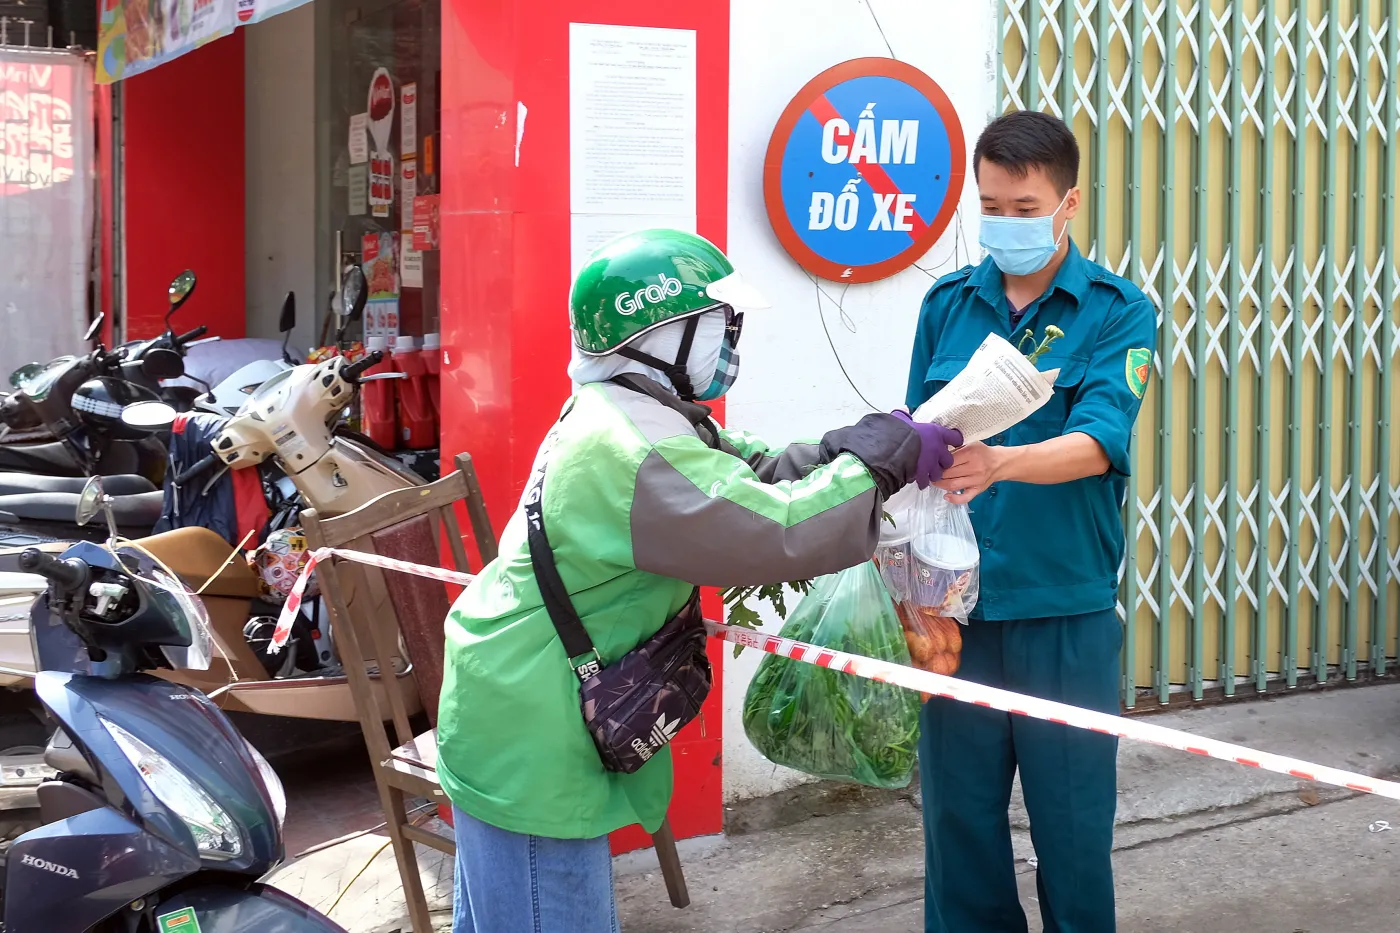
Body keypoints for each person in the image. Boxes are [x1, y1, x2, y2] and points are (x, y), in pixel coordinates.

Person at [437, 228, 962, 933]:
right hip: (533, 730)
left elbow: (747, 473)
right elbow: (771, 528)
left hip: (522, 700)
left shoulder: (634, 411)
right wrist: (876, 467)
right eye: (720, 324)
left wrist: (846, 448)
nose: (733, 343)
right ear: (659, 335)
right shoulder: (632, 447)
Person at [905, 110, 1158, 933]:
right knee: (958, 828)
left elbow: (1100, 441)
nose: (1004, 223)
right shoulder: (947, 304)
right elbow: (916, 440)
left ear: (1068, 202)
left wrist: (1003, 460)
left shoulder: (1116, 311)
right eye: (990, 206)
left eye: (1024, 207)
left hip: (1063, 613)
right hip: (956, 614)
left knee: (1074, 833)